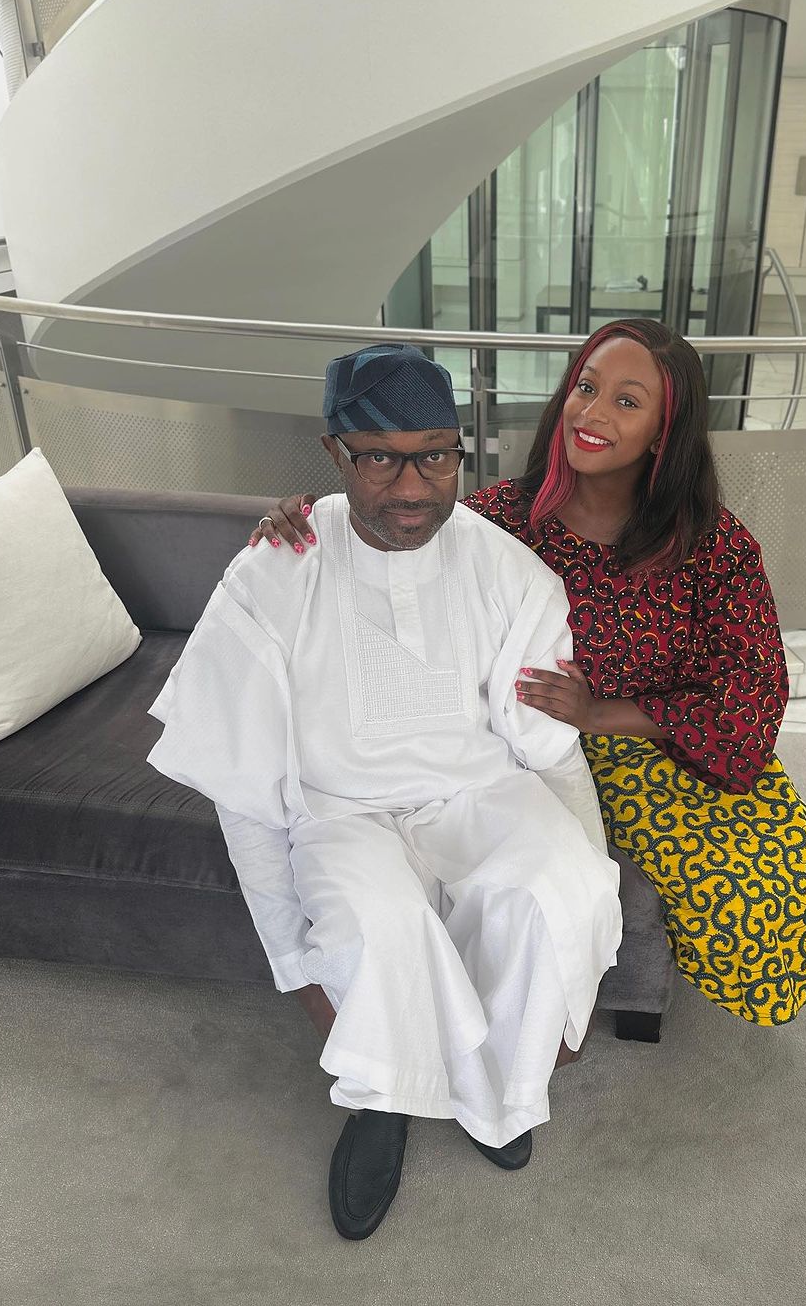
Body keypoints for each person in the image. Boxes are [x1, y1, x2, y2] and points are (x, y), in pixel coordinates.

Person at [255, 320, 806, 1030]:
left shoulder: (713, 543)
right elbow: (393, 529)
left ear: (664, 433)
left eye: (627, 402)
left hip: (687, 743)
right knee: (741, 908)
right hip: (552, 752)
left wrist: (601, 710)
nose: (593, 413)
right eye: (586, 388)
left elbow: (753, 694)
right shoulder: (500, 522)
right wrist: (309, 516)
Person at [147, 344, 622, 1242]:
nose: (412, 487)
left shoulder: (508, 570)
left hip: (479, 792)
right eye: (380, 458)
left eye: (435, 456)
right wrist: (293, 964)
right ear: (335, 453)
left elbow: (550, 751)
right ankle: (383, 1101)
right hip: (342, 812)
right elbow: (243, 789)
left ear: (459, 449)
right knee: (379, 924)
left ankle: (500, 1089)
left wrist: (589, 902)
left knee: (562, 891)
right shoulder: (274, 568)